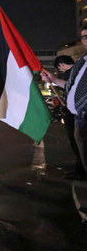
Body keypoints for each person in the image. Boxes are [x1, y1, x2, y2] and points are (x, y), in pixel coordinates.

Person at [41, 24, 87, 177]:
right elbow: (70, 86)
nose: (86, 40)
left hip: (84, 113)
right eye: (84, 37)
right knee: (80, 145)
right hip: (79, 115)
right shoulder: (82, 62)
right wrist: (53, 79)